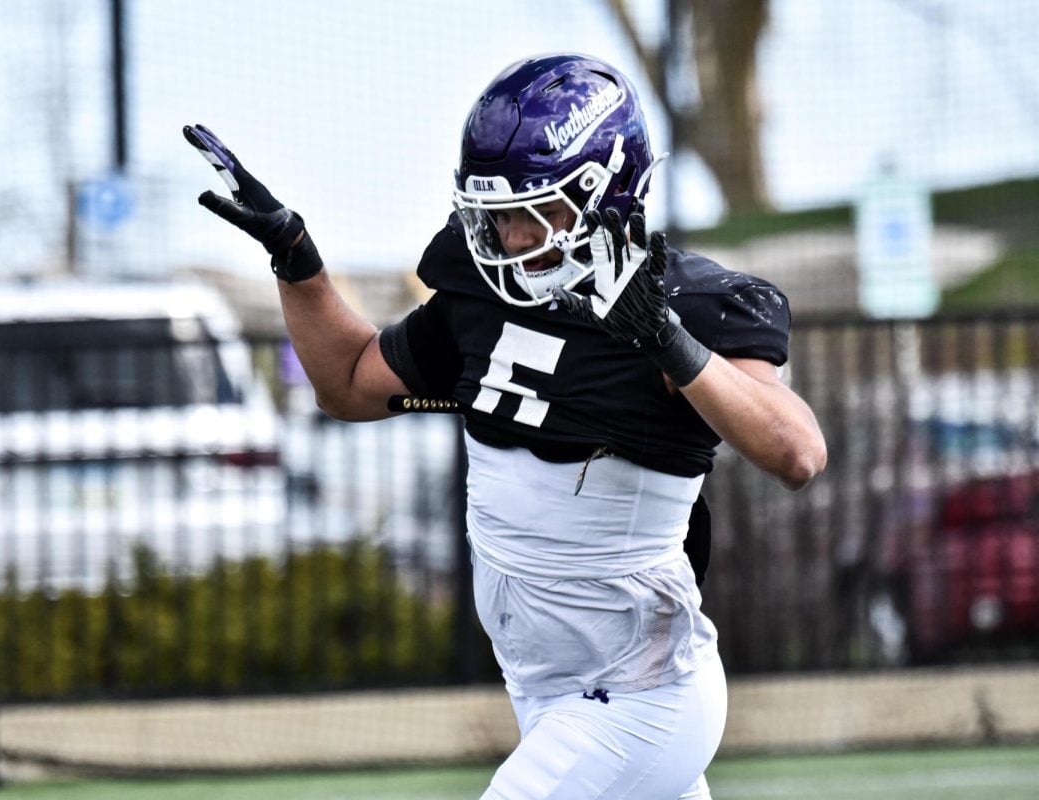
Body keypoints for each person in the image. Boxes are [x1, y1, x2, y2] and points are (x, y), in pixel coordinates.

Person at [184, 52, 826, 800]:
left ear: (607, 191)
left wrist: (668, 341)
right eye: (497, 216)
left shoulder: (694, 303)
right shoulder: (479, 291)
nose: (514, 240)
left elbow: (798, 453)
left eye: (536, 211)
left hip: (646, 691)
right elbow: (349, 383)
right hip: (546, 689)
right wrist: (297, 263)